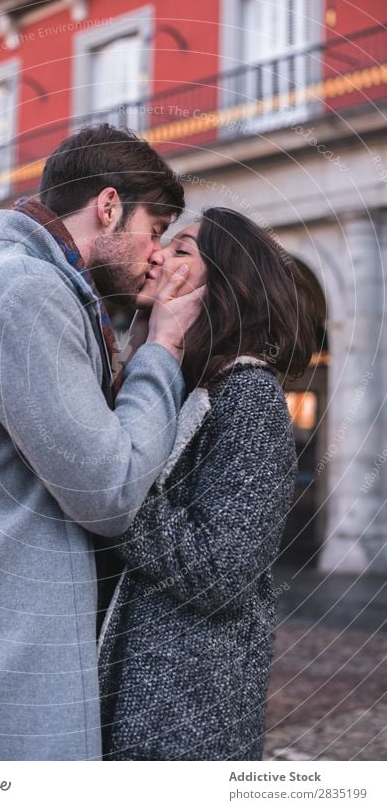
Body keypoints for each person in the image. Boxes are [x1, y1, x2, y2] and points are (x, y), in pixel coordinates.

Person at [0, 124, 202, 761]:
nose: (159, 253)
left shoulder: (4, 278)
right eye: (156, 228)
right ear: (107, 207)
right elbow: (107, 489)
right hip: (1, 684)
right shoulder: (26, 292)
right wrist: (163, 349)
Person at [99, 207, 317, 760]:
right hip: (129, 694)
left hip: (185, 715)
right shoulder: (175, 382)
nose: (156, 256)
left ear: (225, 282)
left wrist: (105, 485)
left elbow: (222, 572)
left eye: (182, 251)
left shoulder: (249, 397)